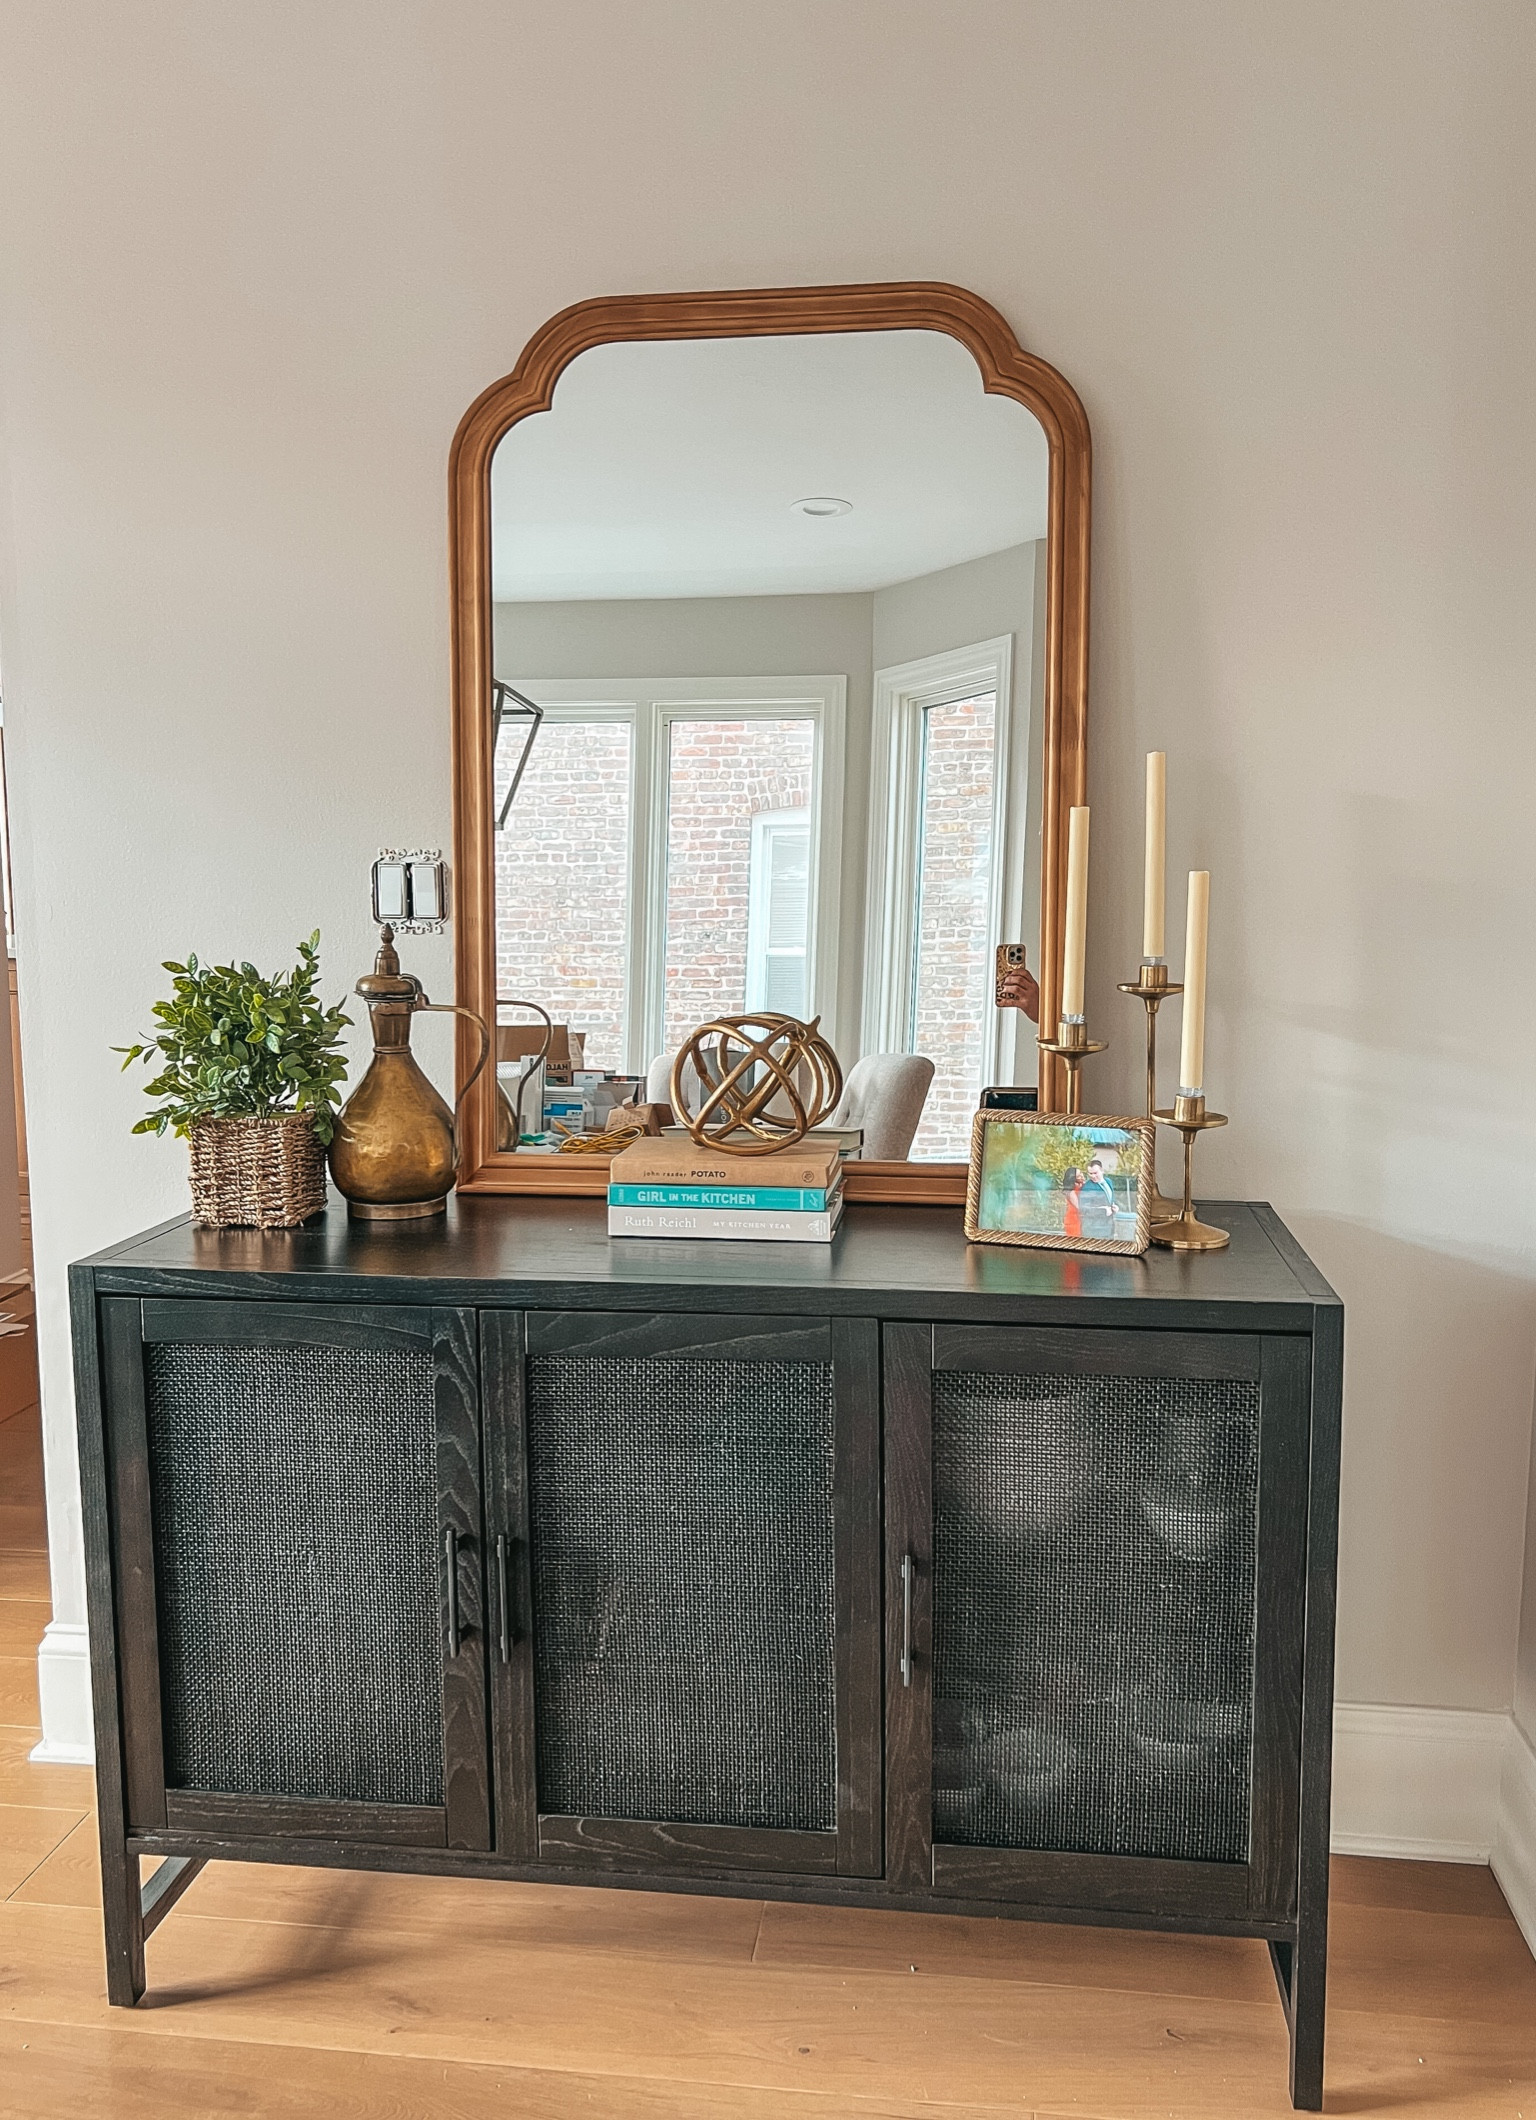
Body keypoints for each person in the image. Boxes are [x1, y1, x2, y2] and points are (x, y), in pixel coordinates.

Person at [1078, 1155, 1117, 1239]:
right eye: (1090, 1174)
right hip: (1093, 1230)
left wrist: (1115, 1206)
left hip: (1109, 1228)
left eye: (1095, 1173)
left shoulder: (1108, 1182)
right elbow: (1083, 1209)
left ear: (1102, 1171)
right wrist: (1103, 1210)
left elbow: (1111, 1199)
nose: (1093, 1176)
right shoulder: (1087, 1188)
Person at [1061, 1166, 1083, 1238]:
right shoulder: (1071, 1192)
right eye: (1079, 1176)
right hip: (1073, 1219)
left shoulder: (1080, 1186)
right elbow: (1078, 1206)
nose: (1082, 1176)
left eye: (1081, 1173)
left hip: (1079, 1218)